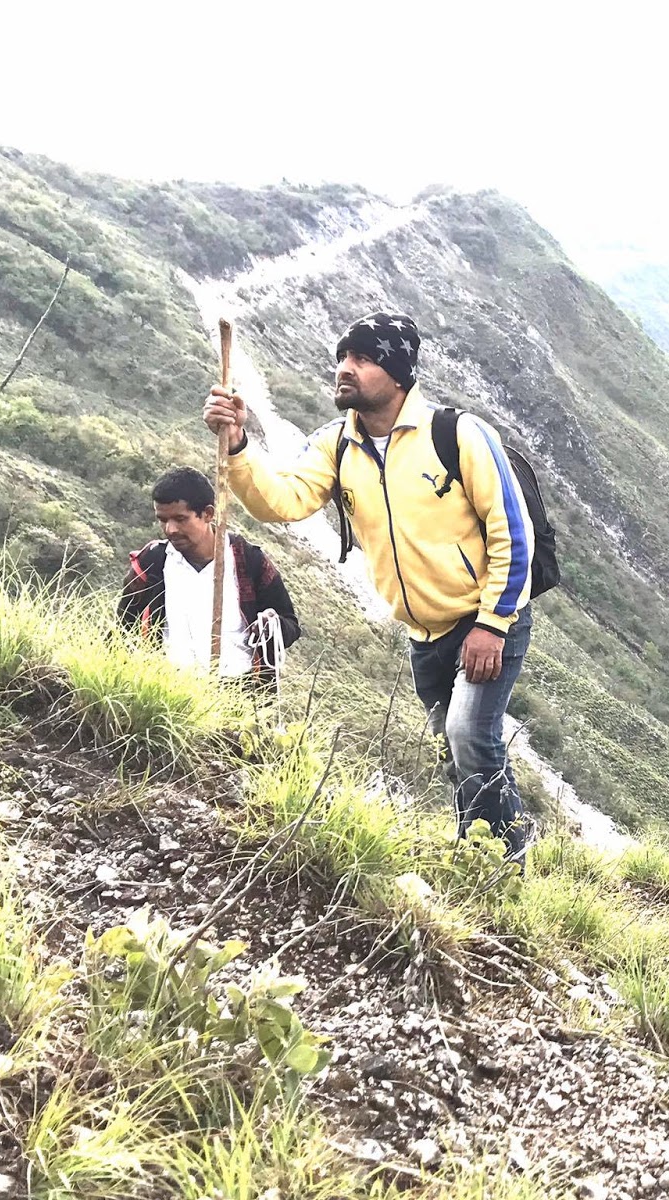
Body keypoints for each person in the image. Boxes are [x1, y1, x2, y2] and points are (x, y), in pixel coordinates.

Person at [200, 312, 537, 859]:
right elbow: (282, 501)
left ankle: (504, 863)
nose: (344, 369)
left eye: (361, 358)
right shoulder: (337, 445)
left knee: (470, 736)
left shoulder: (457, 435)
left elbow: (513, 533)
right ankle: (482, 851)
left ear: (398, 374)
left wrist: (493, 625)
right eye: (342, 357)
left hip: (484, 619)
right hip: (423, 634)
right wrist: (237, 444)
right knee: (457, 751)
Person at [118, 466, 301, 682]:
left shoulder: (248, 561)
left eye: (180, 519)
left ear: (208, 514)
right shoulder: (153, 561)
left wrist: (272, 626)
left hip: (238, 689)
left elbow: (290, 625)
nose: (170, 529)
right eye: (163, 519)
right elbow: (124, 624)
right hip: (168, 686)